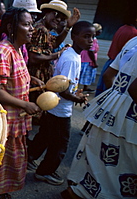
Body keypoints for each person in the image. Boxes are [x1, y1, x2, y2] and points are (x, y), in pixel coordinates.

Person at [63, 38, 137, 199]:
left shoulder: (133, 41)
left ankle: (83, 193)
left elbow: (108, 75)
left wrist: (116, 99)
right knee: (123, 167)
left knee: (97, 158)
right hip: (131, 118)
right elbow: (134, 89)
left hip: (110, 108)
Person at [0, 7, 42, 199]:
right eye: (26, 24)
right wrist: (25, 105)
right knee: (1, 158)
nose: (31, 28)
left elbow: (11, 77)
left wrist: (31, 79)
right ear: (11, 27)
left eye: (31, 24)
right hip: (4, 120)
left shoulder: (15, 50)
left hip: (14, 119)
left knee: (8, 157)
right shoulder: (2, 51)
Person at [27, 21, 92, 186]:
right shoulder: (71, 59)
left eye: (93, 37)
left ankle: (28, 158)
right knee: (60, 144)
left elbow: (66, 85)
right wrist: (76, 98)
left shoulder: (73, 55)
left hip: (55, 107)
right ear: (74, 36)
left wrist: (75, 93)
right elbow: (62, 90)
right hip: (60, 109)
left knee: (45, 136)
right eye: (86, 36)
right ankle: (45, 172)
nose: (91, 40)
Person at [27, 0, 81, 85]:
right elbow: (33, 58)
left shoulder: (45, 29)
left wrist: (67, 27)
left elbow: (54, 44)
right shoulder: (41, 30)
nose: (58, 19)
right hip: (35, 78)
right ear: (47, 13)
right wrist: (57, 55)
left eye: (62, 18)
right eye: (56, 15)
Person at [95, 20, 137, 95]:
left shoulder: (122, 28)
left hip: (111, 62)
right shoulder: (134, 34)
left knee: (100, 90)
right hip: (119, 65)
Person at [12, 0, 42, 65]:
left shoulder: (20, 42)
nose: (34, 18)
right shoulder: (7, 47)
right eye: (31, 14)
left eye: (35, 14)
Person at [79, 23, 101, 93]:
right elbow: (90, 51)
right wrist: (94, 62)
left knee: (85, 73)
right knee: (85, 73)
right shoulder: (92, 40)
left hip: (87, 58)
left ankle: (86, 87)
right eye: (100, 30)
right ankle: (82, 87)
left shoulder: (94, 39)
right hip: (87, 59)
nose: (101, 32)